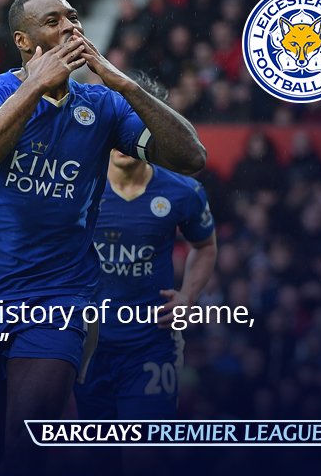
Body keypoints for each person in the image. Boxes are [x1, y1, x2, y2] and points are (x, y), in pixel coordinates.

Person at [0, 0, 206, 474]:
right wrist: (35, 85)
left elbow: (191, 157)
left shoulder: (103, 106)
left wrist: (122, 83)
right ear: (24, 40)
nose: (71, 27)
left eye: (73, 17)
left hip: (58, 298)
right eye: (53, 21)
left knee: (27, 442)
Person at [74, 73, 218, 473]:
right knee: (97, 461)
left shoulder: (182, 191)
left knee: (145, 458)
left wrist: (188, 296)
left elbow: (205, 247)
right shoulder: (77, 185)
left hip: (150, 347)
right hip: (86, 350)